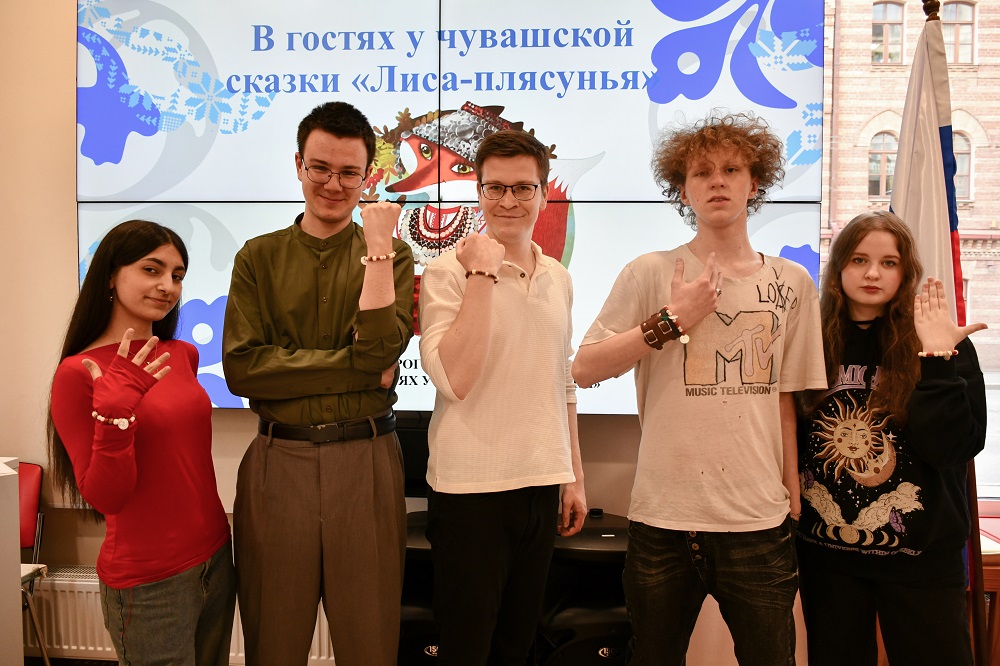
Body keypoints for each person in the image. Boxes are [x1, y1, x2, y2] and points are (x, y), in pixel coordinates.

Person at [573, 112, 827, 665]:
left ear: (754, 183)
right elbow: (585, 368)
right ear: (682, 188)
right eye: (701, 172)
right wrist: (670, 320)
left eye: (731, 169)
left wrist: (790, 491)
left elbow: (785, 397)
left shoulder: (793, 282)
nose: (717, 181)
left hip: (758, 521)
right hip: (662, 519)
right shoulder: (649, 272)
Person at [222, 101, 414, 666]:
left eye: (349, 172)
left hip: (368, 460)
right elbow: (242, 370)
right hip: (279, 464)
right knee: (272, 643)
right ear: (298, 165)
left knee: (371, 645)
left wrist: (377, 247)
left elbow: (380, 351)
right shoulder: (257, 257)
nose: (333, 184)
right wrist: (353, 366)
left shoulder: (394, 255)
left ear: (368, 176)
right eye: (320, 168)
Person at [418, 129, 587, 665]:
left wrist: (573, 476)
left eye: (522, 188)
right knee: (466, 650)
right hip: (471, 490)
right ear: (479, 191)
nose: (508, 201)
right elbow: (454, 380)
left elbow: (562, 382)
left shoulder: (558, 277)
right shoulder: (447, 272)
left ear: (543, 193)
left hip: (540, 483)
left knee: (517, 648)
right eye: (495, 188)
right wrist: (481, 272)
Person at [796, 210, 987, 666]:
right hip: (829, 559)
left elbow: (954, 449)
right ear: (839, 267)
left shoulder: (941, 339)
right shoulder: (810, 340)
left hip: (922, 560)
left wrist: (938, 359)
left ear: (906, 271)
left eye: (888, 262)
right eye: (859, 260)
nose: (872, 274)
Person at [48, 219, 235, 665]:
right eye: (152, 269)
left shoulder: (182, 354)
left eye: (177, 275)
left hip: (215, 556)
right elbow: (106, 497)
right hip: (149, 581)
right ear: (111, 275)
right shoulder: (79, 373)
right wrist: (115, 419)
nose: (168, 285)